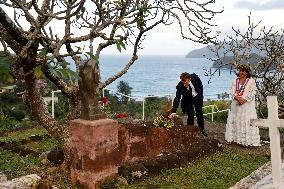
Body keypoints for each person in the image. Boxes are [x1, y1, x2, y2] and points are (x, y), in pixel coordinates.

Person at [225, 64, 260, 146]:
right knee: (234, 121)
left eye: (243, 71)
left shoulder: (251, 81)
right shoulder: (235, 81)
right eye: (240, 70)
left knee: (245, 122)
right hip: (236, 105)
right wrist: (238, 98)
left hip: (246, 106)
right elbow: (232, 92)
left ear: (247, 72)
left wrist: (244, 100)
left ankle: (245, 141)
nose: (241, 72)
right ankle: (231, 139)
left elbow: (254, 91)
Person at [169, 72, 208, 137]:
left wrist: (200, 95)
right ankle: (190, 131)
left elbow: (200, 85)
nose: (184, 85)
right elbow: (177, 98)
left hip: (197, 97)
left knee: (199, 114)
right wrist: (174, 111)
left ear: (189, 79)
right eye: (183, 83)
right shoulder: (179, 86)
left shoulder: (195, 77)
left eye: (185, 82)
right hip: (188, 100)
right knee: (191, 115)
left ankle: (202, 130)